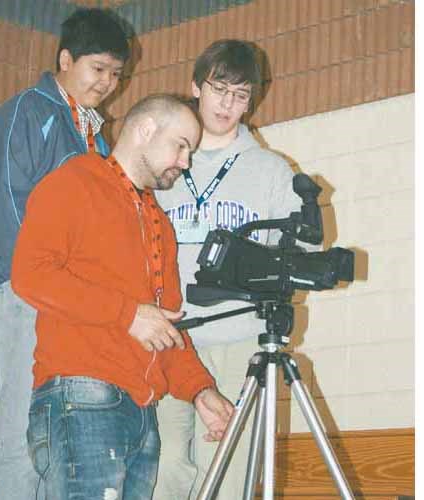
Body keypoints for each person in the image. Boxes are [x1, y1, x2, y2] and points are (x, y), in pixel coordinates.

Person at [10, 94, 233, 500]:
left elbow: (164, 326)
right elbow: (29, 275)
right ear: (146, 130)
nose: (185, 162)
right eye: (181, 145)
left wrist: (201, 389)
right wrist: (128, 314)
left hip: (141, 414)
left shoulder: (160, 224)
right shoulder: (72, 182)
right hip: (82, 400)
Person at [0, 8, 130, 499]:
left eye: (117, 74)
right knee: (21, 431)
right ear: (65, 59)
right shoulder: (27, 111)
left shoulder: (97, 138)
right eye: (98, 69)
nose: (108, 83)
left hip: (69, 302)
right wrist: (44, 280)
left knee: (56, 434)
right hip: (26, 293)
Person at [154, 39, 304, 499]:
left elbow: (295, 254)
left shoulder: (272, 170)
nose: (228, 104)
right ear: (196, 87)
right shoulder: (165, 162)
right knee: (165, 469)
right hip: (170, 335)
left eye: (241, 95)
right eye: (220, 89)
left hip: (240, 339)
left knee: (226, 469)